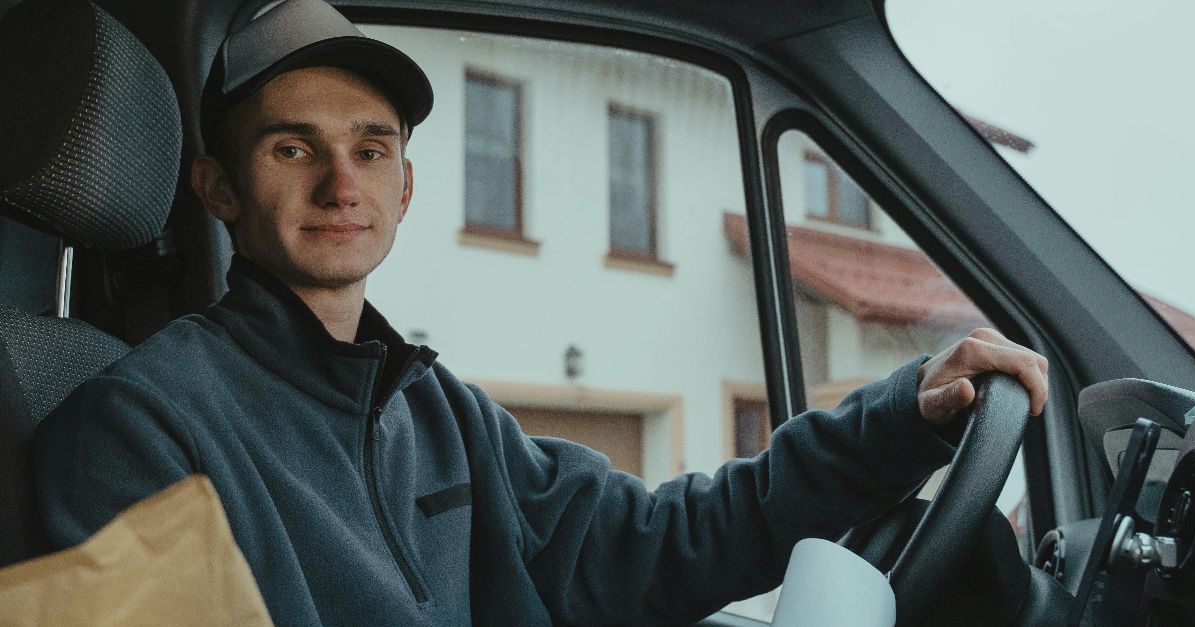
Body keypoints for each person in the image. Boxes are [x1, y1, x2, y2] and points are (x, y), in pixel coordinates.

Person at [32, 0, 1050, 624]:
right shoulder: (136, 430)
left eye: (371, 149)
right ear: (217, 189)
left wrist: (899, 419)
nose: (342, 182)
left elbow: (665, 540)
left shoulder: (438, 417)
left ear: (406, 189)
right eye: (292, 148)